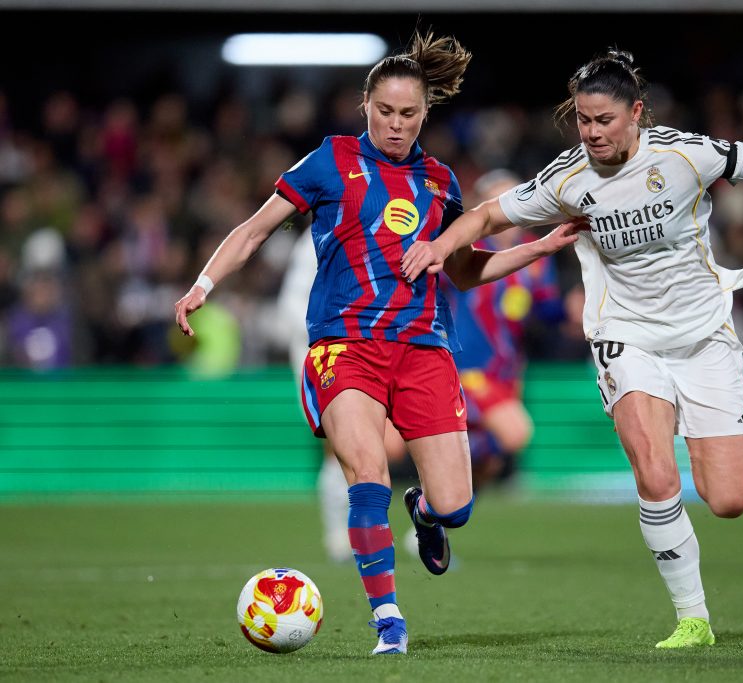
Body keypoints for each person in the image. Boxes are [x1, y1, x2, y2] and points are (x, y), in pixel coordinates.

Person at [402, 48, 743, 649]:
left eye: (604, 120)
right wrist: (440, 247)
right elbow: (487, 216)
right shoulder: (567, 178)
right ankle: (692, 619)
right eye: (583, 120)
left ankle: (694, 540)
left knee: (729, 499)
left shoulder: (685, 155)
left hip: (703, 337)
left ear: (636, 114)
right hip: (625, 335)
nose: (592, 133)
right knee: (654, 471)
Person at [174, 30, 585, 655]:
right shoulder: (329, 161)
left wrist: (539, 247)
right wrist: (204, 284)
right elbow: (255, 230)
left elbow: (464, 270)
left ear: (426, 113)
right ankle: (388, 621)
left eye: (409, 113)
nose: (396, 125)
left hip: (422, 349)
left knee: (456, 506)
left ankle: (426, 512)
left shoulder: (440, 182)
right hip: (344, 347)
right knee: (366, 476)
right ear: (365, 105)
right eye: (385, 111)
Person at [277, 226, 408, 564]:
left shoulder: (375, 225)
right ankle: (340, 532)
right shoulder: (319, 236)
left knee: (383, 445)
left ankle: (366, 526)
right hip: (327, 348)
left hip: (373, 346)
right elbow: (291, 303)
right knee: (339, 446)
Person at [442, 169, 566, 488]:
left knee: (489, 462)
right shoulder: (465, 248)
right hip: (465, 364)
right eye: (496, 202)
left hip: (507, 368)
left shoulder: (536, 252)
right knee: (514, 433)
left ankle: (440, 507)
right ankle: (438, 478)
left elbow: (546, 308)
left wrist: (570, 310)